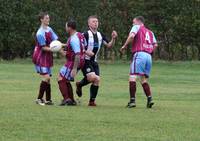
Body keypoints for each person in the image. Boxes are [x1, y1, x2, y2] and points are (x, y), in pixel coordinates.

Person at [76, 15, 118, 106]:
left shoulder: (100, 35)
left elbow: (109, 45)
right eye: (93, 21)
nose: (95, 23)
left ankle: (91, 101)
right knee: (95, 78)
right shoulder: (85, 34)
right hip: (85, 61)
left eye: (97, 21)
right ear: (89, 23)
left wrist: (113, 38)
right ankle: (80, 85)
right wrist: (86, 52)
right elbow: (78, 46)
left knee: (96, 80)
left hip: (94, 62)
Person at [120, 16, 158, 108]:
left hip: (139, 54)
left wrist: (124, 46)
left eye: (133, 22)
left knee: (132, 77)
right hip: (148, 56)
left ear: (138, 22)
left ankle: (132, 101)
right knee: (143, 79)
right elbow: (155, 45)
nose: (132, 24)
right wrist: (149, 52)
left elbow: (132, 36)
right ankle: (150, 99)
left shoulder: (136, 27)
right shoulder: (150, 32)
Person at [32, 12, 62, 106]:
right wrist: (55, 49)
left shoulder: (49, 29)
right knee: (46, 77)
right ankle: (39, 99)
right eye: (46, 18)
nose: (48, 20)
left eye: (48, 18)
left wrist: (63, 47)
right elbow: (44, 47)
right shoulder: (40, 33)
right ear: (41, 19)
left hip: (48, 56)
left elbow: (56, 42)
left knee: (48, 79)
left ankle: (48, 100)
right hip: (40, 57)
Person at [58, 20, 85, 106]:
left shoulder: (73, 39)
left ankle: (67, 99)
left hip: (74, 62)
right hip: (80, 60)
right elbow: (79, 48)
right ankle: (71, 100)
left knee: (61, 79)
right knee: (66, 80)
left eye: (66, 26)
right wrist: (61, 46)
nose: (65, 28)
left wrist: (74, 68)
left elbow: (77, 54)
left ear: (69, 28)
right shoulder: (79, 35)